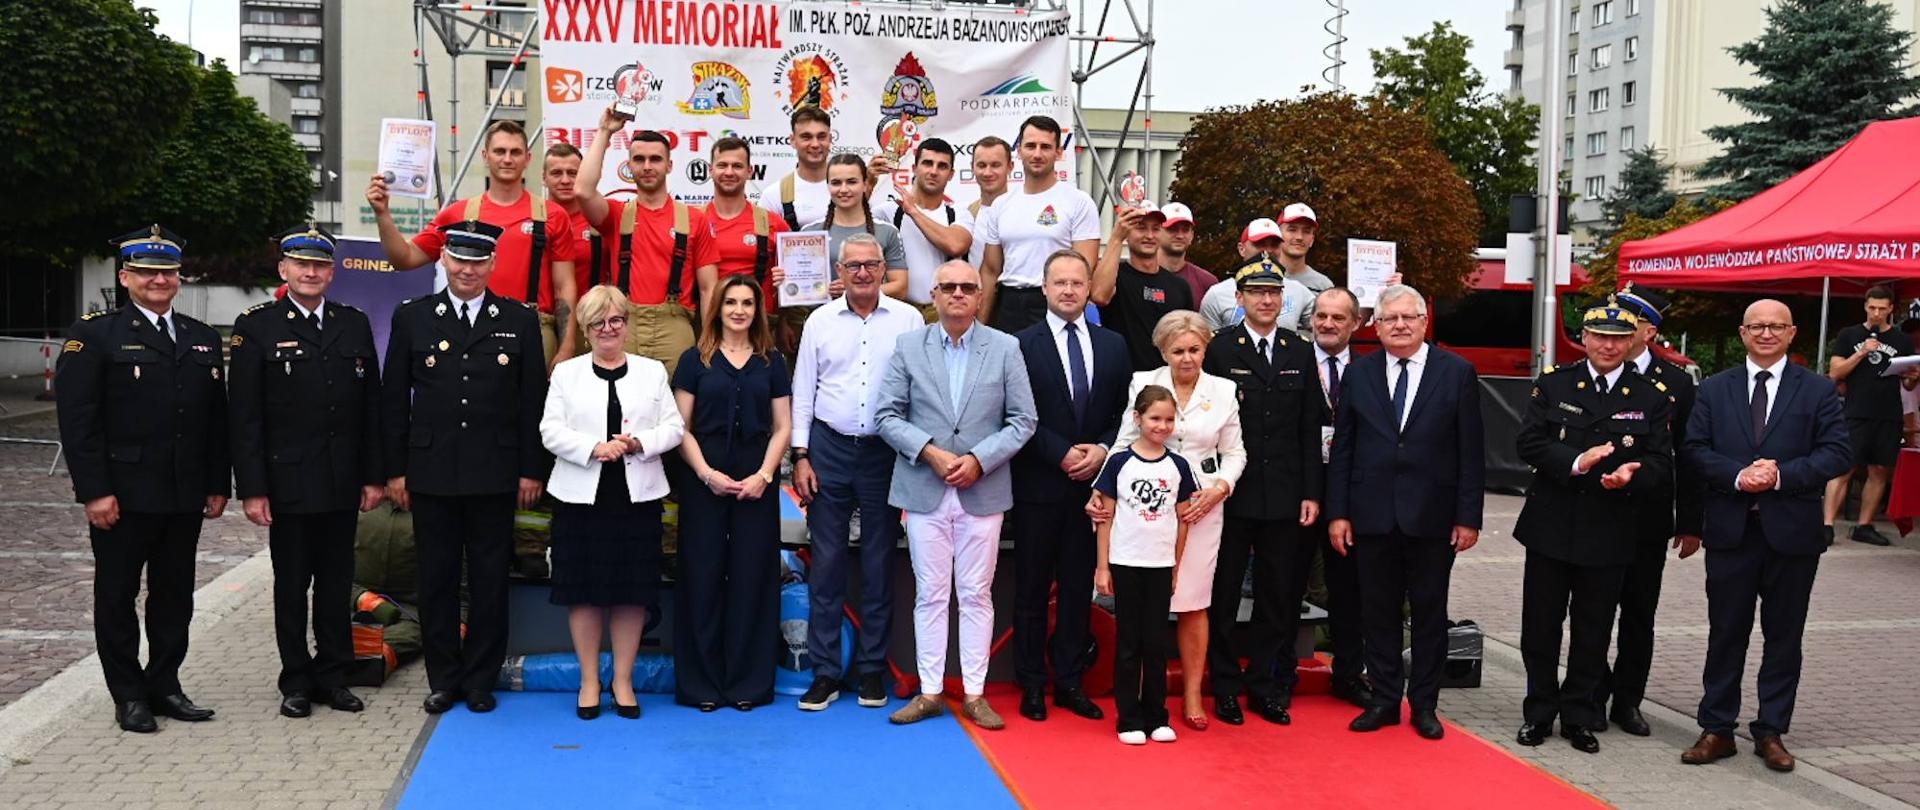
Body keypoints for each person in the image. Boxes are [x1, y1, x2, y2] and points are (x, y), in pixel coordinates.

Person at [56, 225, 229, 733]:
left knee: (175, 595)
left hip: (182, 494)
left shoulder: (200, 338)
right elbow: (79, 422)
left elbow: (215, 420)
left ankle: (165, 684)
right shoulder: (94, 335)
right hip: (123, 496)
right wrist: (94, 491)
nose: (159, 280)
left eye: (168, 272)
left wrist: (218, 483)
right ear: (125, 275)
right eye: (148, 272)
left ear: (179, 276)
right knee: (117, 595)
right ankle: (128, 694)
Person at [382, 220, 551, 715]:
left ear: (492, 265)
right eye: (459, 259)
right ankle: (444, 678)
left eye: (478, 261)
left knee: (489, 579)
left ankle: (480, 678)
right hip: (430, 472)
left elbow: (531, 402)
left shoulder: (518, 319)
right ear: (444, 261)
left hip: (495, 473)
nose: (468, 269)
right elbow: (394, 400)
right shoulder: (413, 317)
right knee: (434, 579)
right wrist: (396, 470)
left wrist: (530, 469)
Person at [1680, 300, 1850, 773]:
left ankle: (1771, 730)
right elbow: (1694, 450)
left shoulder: (1818, 390)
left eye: (1777, 326)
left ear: (1793, 333)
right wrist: (1739, 476)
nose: (1767, 333)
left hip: (1791, 534)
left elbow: (1837, 452)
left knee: (1784, 636)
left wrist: (1779, 476)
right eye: (1758, 326)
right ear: (1742, 333)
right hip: (1732, 531)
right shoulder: (1715, 389)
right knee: (1726, 633)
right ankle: (1717, 729)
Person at [875, 260, 1037, 731]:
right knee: (929, 594)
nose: (959, 295)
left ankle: (974, 692)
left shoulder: (1005, 348)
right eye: (949, 287)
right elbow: (886, 415)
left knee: (975, 594)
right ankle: (929, 691)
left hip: (982, 489)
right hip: (924, 486)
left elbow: (1023, 420)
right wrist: (929, 453)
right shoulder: (909, 346)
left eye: (968, 287)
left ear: (980, 296)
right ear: (934, 293)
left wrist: (980, 460)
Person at [229, 224, 382, 719]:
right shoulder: (257, 325)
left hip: (341, 481)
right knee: (291, 586)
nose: (311, 272)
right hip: (288, 482)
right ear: (284, 270)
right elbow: (245, 416)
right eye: (301, 264)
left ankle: (333, 675)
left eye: (320, 265)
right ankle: (296, 679)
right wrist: (252, 489)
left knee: (337, 586)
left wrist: (373, 475)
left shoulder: (353, 323)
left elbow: (370, 409)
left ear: (332, 272)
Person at [1513, 302, 1673, 754]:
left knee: (1593, 630)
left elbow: (1662, 463)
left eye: (1618, 338)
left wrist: (1631, 477)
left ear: (1634, 341)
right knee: (1540, 628)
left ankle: (1580, 715)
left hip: (1611, 527)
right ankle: (1539, 712)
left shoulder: (1651, 395)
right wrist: (1576, 462)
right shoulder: (1555, 383)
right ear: (1583, 338)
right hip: (1551, 526)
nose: (1608, 345)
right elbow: (1529, 442)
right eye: (1599, 336)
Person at [1327, 284, 1483, 741]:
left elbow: (1470, 451)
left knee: (1430, 613)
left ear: (1423, 322)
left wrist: (1468, 516)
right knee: (1377, 612)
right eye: (1390, 318)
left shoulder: (1456, 373)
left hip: (1433, 516)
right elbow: (1344, 449)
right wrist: (1339, 512)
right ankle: (1384, 699)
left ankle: (1425, 705)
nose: (1399, 325)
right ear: (1375, 326)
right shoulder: (1361, 373)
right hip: (1371, 514)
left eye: (1408, 318)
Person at [789, 234, 925, 711]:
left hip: (885, 453)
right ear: (840, 271)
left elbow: (919, 389)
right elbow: (803, 390)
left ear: (884, 268)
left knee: (878, 562)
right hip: (827, 447)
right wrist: (800, 456)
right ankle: (825, 673)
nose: (863, 273)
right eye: (853, 266)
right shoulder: (819, 321)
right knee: (825, 563)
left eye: (871, 265)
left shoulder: (908, 319)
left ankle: (870, 671)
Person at [1092, 310, 1245, 726]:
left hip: (1202, 507)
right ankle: (1139, 698)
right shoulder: (1144, 382)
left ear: (1205, 349)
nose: (1187, 358)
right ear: (1163, 351)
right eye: (1177, 350)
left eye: (1195, 349)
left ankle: (1192, 695)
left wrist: (1218, 490)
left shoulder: (1225, 389)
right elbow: (1125, 441)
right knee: (1142, 610)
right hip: (1146, 509)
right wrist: (1100, 490)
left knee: (1194, 603)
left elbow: (1235, 453)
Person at [539, 285, 682, 720]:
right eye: (598, 323)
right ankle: (588, 680)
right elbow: (549, 430)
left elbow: (675, 427)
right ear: (585, 330)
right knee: (583, 594)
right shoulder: (566, 374)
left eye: (616, 320)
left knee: (631, 595)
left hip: (636, 498)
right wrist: (592, 448)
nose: (608, 329)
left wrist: (641, 441)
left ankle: (622, 680)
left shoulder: (652, 371)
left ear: (626, 325)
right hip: (581, 497)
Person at [1200, 264, 1325, 728]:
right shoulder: (1219, 350)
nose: (1267, 301)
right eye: (1257, 293)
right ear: (1240, 297)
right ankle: (1226, 687)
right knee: (1225, 595)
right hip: (1233, 494)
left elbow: (1310, 426)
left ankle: (1266, 688)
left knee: (1279, 597)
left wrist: (1312, 492)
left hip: (1286, 495)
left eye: (1274, 293)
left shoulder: (1299, 350)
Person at [1009, 250, 1130, 723]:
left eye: (1077, 283)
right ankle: (1031, 683)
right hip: (1040, 482)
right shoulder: (1020, 344)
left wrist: (1102, 449)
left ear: (1089, 289)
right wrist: (1058, 451)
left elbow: (1126, 411)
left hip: (1093, 487)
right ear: (1043, 287)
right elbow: (1015, 413)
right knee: (1032, 589)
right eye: (1059, 282)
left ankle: (1070, 681)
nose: (1068, 290)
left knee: (1080, 590)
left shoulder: (1114, 345)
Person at [366, 120, 579, 368]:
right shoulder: (459, 213)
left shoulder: (552, 215)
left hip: (533, 328)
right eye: (500, 151)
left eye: (515, 152)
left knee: (533, 407)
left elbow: (564, 286)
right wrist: (382, 214)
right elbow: (404, 258)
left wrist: (567, 346)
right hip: (469, 328)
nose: (507, 159)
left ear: (528, 158)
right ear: (485, 156)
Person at [672, 276, 792, 712]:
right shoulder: (693, 360)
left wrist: (764, 474)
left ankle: (748, 684)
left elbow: (783, 427)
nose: (739, 310)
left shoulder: (771, 362)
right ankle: (701, 685)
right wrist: (706, 474)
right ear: (717, 308)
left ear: (757, 310)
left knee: (752, 578)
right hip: (704, 478)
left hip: (756, 481)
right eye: (730, 302)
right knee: (701, 577)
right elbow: (679, 428)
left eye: (747, 303)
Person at [1597, 284, 1702, 736]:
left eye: (1628, 322)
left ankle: (1627, 701)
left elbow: (1689, 454)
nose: (1614, 330)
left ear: (1649, 330)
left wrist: (1692, 521)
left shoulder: (1677, 382)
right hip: (1595, 512)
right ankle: (1590, 692)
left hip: (1647, 517)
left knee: (1638, 614)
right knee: (1593, 610)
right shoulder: (1592, 371)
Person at [577, 109, 721, 376]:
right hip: (624, 324)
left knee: (676, 410)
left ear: (669, 165)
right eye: (639, 159)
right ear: (629, 165)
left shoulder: (694, 220)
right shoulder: (617, 215)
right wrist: (605, 131)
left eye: (655, 159)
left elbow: (708, 288)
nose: (647, 166)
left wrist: (711, 341)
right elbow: (583, 190)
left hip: (675, 325)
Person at [1092, 385, 1198, 746]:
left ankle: (1157, 715)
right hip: (1125, 561)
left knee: (1156, 642)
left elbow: (1184, 520)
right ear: (1137, 419)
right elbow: (1104, 516)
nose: (1162, 425)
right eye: (1154, 418)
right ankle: (1128, 718)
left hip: (1160, 564)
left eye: (1169, 419)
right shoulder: (1119, 463)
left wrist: (1175, 566)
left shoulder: (1178, 465)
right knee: (1129, 643)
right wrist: (1102, 566)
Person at [1304, 288, 1373, 707]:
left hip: (1349, 496)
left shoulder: (1369, 372)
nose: (1328, 324)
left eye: (1338, 318)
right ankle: (1277, 675)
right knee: (1285, 585)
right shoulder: (1292, 363)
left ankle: (1349, 675)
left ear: (1356, 323)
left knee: (1349, 592)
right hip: (1300, 494)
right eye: (1322, 316)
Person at [977, 115, 1100, 335]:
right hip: (1008, 305)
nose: (1037, 154)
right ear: (1019, 150)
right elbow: (990, 270)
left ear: (1058, 152)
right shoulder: (1001, 204)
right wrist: (979, 327)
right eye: (1030, 146)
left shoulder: (1078, 202)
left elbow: (1085, 269)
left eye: (1045, 147)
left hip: (1053, 304)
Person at [1823, 286, 1914, 546]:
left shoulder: (1901, 340)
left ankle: (1864, 525)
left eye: (1882, 308)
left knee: (1879, 470)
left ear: (1890, 309)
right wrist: (1861, 351)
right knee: (1844, 468)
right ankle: (1826, 525)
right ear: (1865, 306)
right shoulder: (1849, 334)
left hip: (1889, 413)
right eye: (1872, 307)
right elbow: (1836, 372)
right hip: (1856, 412)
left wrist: (1912, 378)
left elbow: (1907, 384)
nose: (1876, 313)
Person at [874, 138, 975, 321]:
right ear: (914, 168)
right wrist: (868, 181)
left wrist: (913, 211)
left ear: (951, 174)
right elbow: (851, 224)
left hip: (944, 313)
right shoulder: (888, 212)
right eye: (927, 163)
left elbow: (956, 245)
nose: (934, 171)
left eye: (942, 166)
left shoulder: (958, 213)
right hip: (899, 311)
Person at [762, 106, 835, 355]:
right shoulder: (775, 195)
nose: (815, 144)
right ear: (792, 140)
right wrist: (781, 320)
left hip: (844, 302)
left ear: (830, 139)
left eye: (821, 136)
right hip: (796, 310)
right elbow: (769, 263)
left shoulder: (848, 187)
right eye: (806, 137)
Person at [1092, 205, 1193, 371]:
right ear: (1127, 233)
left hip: (1165, 383)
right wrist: (1117, 238)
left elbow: (1187, 338)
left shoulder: (1179, 286)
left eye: (1156, 229)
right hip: (1121, 379)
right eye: (1141, 228)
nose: (1149, 235)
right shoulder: (1116, 276)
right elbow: (1099, 296)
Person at [804, 154, 910, 302]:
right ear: (827, 186)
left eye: (851, 182)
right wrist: (785, 280)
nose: (843, 189)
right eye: (836, 183)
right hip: (824, 321)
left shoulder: (887, 232)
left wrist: (853, 290)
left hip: (874, 321)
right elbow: (802, 287)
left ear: (865, 184)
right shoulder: (810, 233)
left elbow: (900, 288)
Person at [704, 136, 788, 321]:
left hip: (760, 325)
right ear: (711, 170)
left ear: (750, 171)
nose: (729, 172)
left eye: (737, 166)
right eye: (722, 165)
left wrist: (784, 323)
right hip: (708, 322)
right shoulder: (695, 221)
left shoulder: (773, 224)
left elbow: (791, 281)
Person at [1199, 221, 1311, 334]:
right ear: (1241, 249)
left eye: (1274, 244)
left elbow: (1323, 327)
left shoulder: (1299, 291)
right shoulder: (1217, 294)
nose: (1267, 251)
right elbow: (1208, 344)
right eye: (1260, 244)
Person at [965, 136, 1014, 271]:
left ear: (1010, 167)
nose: (987, 172)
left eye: (995, 165)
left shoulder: (1022, 210)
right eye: (982, 165)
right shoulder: (967, 213)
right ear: (972, 168)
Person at [1156, 203, 1214, 304]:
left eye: (1185, 230)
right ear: (1157, 232)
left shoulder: (1206, 281)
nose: (1180, 235)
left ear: (1192, 235)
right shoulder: (1142, 276)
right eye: (1172, 229)